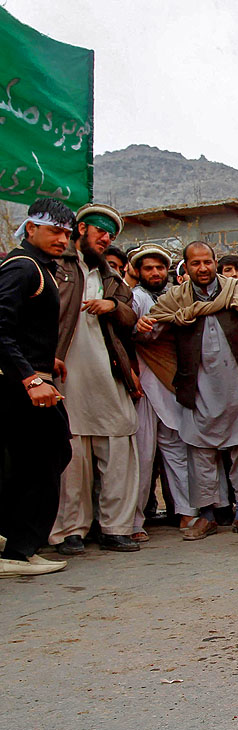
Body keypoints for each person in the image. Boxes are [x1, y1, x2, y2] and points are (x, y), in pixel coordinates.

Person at [146, 241, 238, 541]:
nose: (203, 268)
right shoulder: (174, 300)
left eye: (207, 262)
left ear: (215, 262)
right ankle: (207, 516)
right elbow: (151, 329)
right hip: (197, 389)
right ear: (185, 267)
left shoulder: (237, 292)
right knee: (200, 453)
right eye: (195, 263)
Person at [49, 203, 143, 555]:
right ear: (81, 228)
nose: (106, 238)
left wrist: (112, 307)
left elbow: (129, 314)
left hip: (108, 378)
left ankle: (115, 528)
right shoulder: (56, 268)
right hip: (66, 376)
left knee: (119, 449)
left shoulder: (111, 278)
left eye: (112, 234)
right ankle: (69, 531)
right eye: (100, 230)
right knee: (72, 459)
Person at [0, 199, 74, 578]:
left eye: (66, 232)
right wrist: (30, 377)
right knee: (44, 460)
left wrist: (45, 362)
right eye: (54, 231)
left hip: (34, 378)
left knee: (45, 457)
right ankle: (18, 550)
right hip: (23, 387)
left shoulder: (38, 268)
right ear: (30, 229)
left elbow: (24, 330)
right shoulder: (22, 268)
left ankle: (12, 537)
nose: (62, 239)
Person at [129, 244, 198, 542]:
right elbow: (126, 332)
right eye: (148, 268)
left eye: (159, 268)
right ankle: (133, 522)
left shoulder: (174, 298)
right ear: (138, 272)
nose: (155, 273)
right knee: (142, 458)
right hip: (142, 387)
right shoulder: (135, 298)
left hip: (170, 386)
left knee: (177, 452)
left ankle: (187, 513)